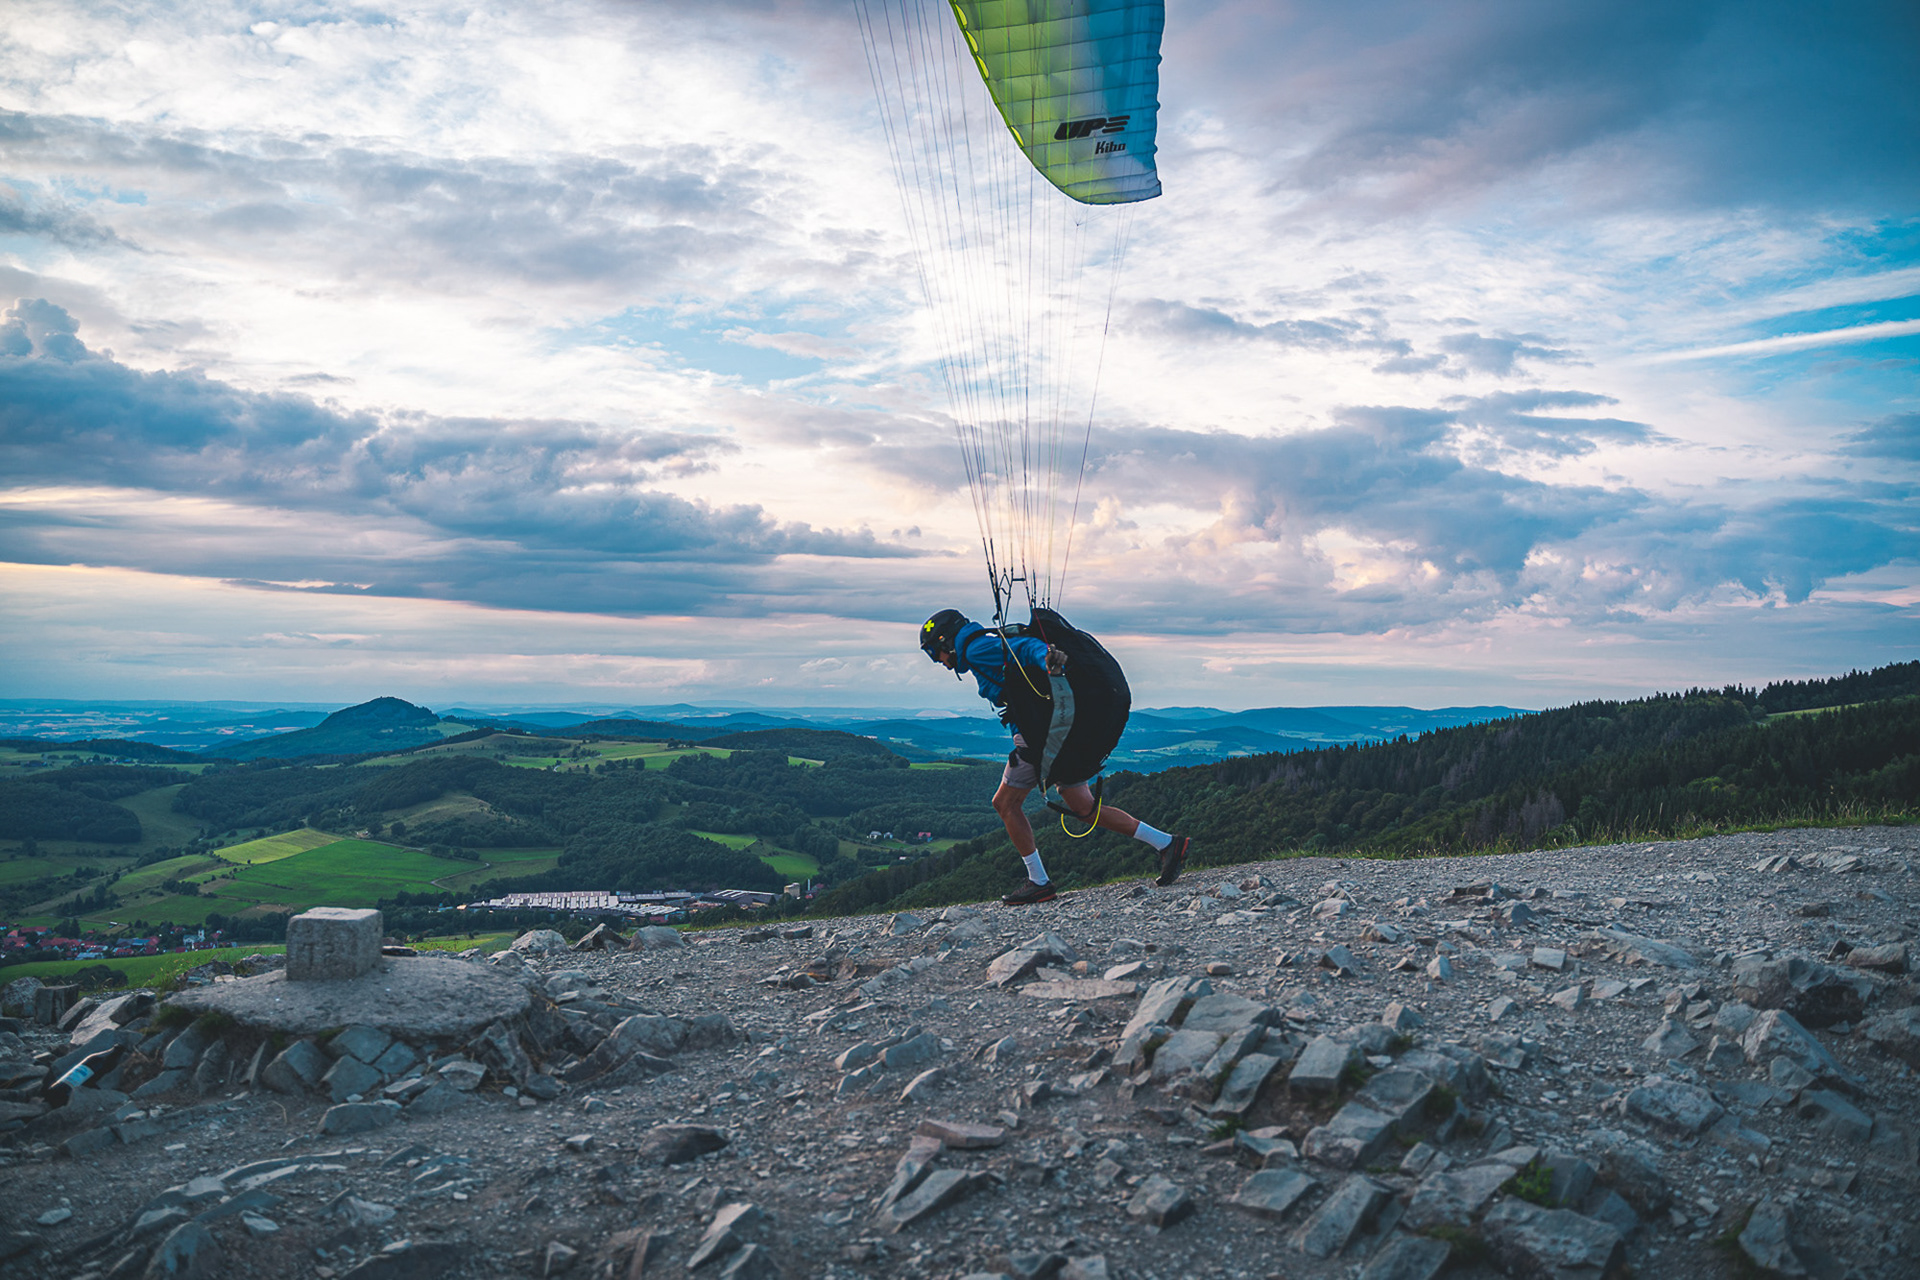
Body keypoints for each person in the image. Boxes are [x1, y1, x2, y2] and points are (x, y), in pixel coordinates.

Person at [919, 608, 1190, 905]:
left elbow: (1023, 649)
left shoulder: (976, 648)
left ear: (946, 642)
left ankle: (1039, 881)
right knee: (1083, 807)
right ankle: (1167, 844)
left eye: (936, 654)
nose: (941, 662)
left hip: (1036, 737)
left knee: (1005, 803)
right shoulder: (981, 642)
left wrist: (1045, 657)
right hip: (1052, 732)